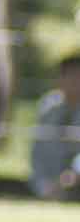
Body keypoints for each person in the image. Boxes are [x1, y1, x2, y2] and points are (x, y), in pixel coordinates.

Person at [30, 53, 80, 200]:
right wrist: (43, 187)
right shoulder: (48, 107)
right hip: (49, 186)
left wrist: (74, 175)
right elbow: (38, 154)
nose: (73, 82)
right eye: (68, 76)